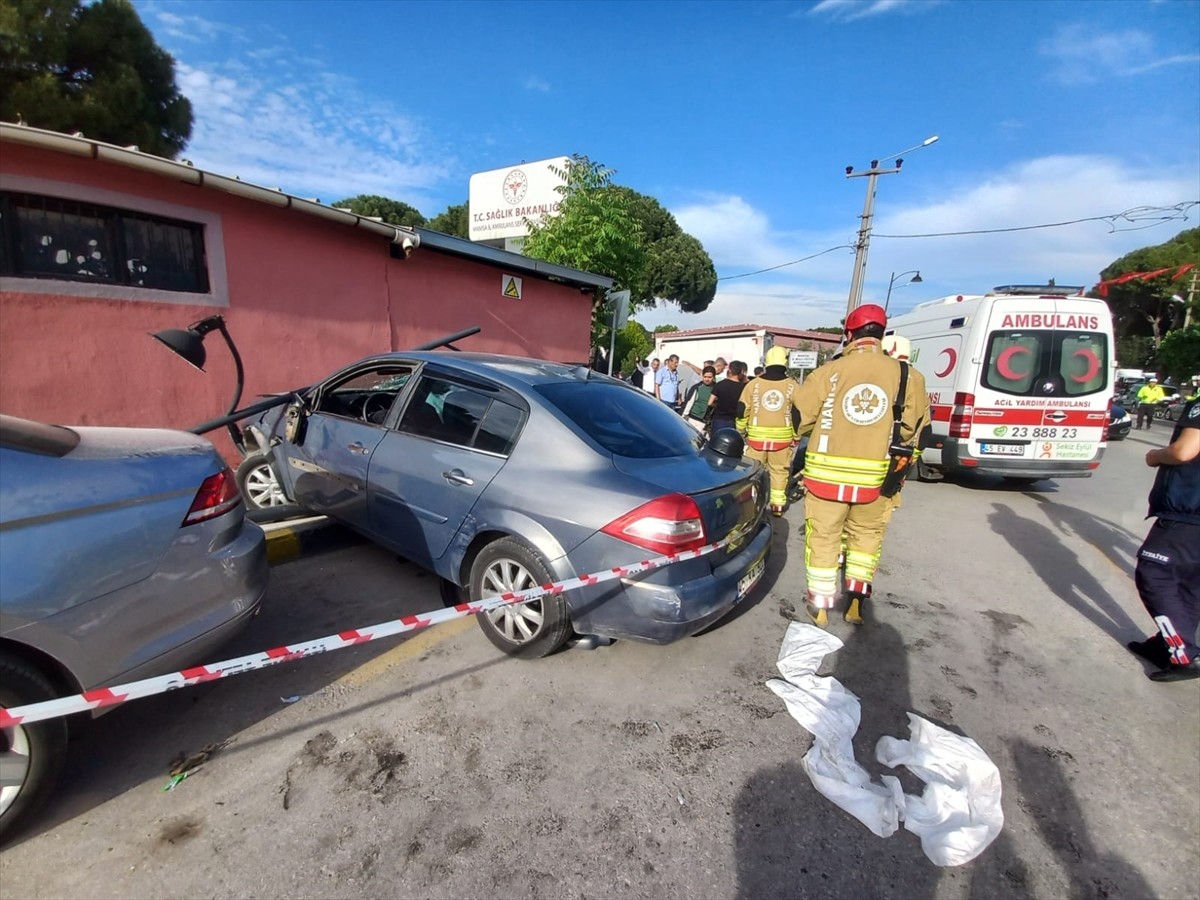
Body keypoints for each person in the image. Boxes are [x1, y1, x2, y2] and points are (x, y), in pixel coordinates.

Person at [791, 304, 929, 627]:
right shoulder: (908, 376)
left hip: (826, 482)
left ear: (849, 335)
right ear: (883, 334)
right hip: (878, 482)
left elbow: (800, 420)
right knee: (865, 542)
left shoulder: (828, 372)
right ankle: (855, 604)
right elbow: (913, 429)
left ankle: (821, 607)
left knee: (824, 539)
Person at [1126, 386, 1200, 682]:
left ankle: (1184, 653)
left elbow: (1184, 451)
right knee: (1190, 581)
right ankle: (1166, 645)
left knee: (1154, 572)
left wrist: (1155, 456)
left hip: (1188, 510)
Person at [736, 346, 804, 517]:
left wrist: (741, 430)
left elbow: (742, 409)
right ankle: (778, 505)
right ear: (785, 362)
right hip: (782, 440)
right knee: (779, 471)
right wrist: (796, 436)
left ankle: (751, 503)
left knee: (753, 472)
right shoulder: (792, 386)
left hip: (756, 439)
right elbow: (798, 414)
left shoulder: (753, 385)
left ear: (766, 362)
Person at [710, 360, 747, 433]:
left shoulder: (719, 385)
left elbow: (710, 402)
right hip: (733, 420)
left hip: (719, 419)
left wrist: (717, 405)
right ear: (741, 372)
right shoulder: (743, 388)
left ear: (729, 370)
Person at [682, 366, 717, 431]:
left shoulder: (716, 389)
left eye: (709, 377)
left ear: (714, 377)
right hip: (692, 419)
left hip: (705, 422)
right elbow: (689, 403)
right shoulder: (697, 388)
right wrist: (683, 417)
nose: (707, 379)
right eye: (705, 377)